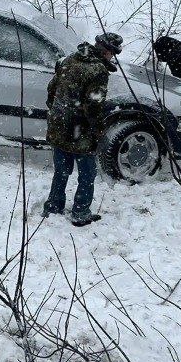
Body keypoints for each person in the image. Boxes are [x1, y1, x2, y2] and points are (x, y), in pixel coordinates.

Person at [43, 32, 122, 226]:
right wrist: (98, 129)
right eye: (113, 53)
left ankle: (54, 205)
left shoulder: (70, 59)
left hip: (59, 124)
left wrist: (58, 112)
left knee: (61, 170)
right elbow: (93, 106)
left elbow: (52, 88)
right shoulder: (98, 71)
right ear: (108, 52)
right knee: (87, 174)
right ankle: (80, 212)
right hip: (80, 130)